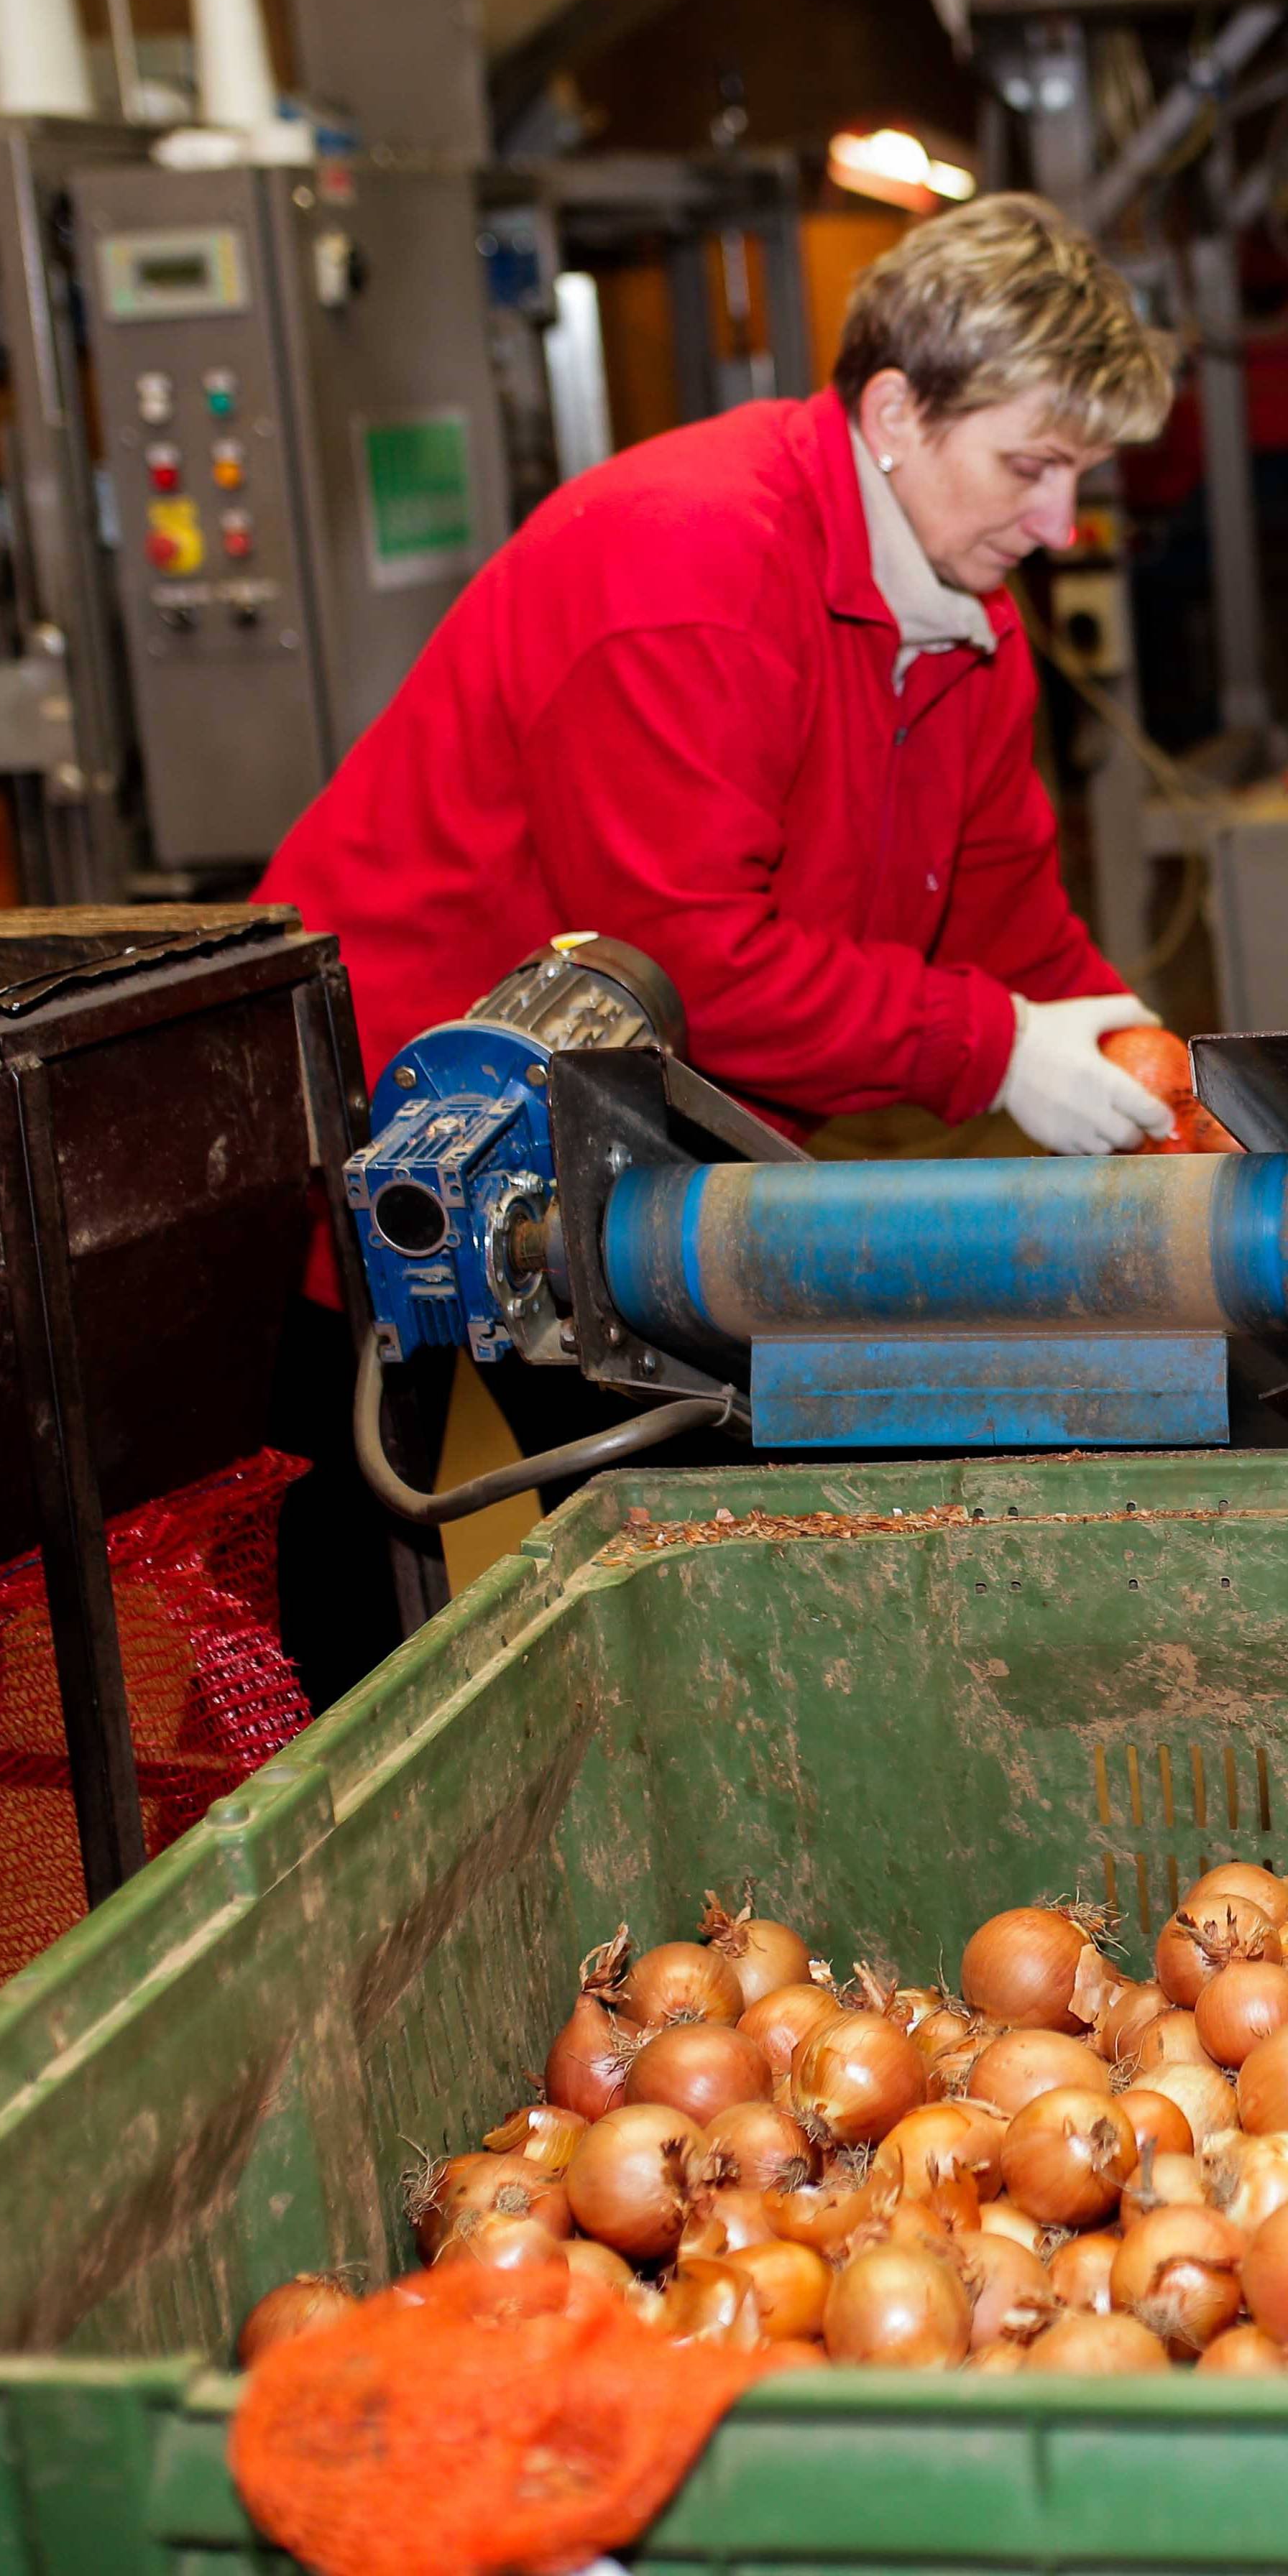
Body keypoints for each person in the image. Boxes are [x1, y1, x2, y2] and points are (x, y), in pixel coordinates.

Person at [258, 192, 1178, 1691]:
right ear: (894, 411)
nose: (1061, 524)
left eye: (1082, 474)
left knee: (690, 1529)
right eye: (1033, 464)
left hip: (615, 1135)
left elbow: (1004, 904)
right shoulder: (690, 566)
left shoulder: (959, 614)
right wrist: (997, 1049)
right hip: (401, 1108)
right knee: (356, 1574)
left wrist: (1140, 1060)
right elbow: (686, 964)